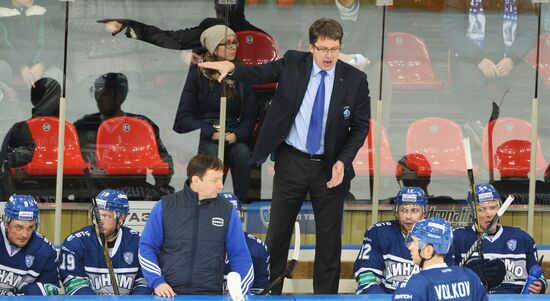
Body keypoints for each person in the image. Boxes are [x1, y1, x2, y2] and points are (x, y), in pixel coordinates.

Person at [199, 17, 370, 294]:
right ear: (311, 47)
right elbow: (258, 74)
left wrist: (343, 160)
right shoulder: (293, 62)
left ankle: (325, 298)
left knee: (329, 240)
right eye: (323, 49)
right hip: (292, 160)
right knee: (278, 235)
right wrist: (231, 67)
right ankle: (270, 293)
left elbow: (360, 127)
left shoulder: (355, 80)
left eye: (335, 49)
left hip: (330, 167)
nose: (329, 56)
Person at [139, 153, 253, 297]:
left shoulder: (227, 211)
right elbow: (147, 247)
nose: (221, 185)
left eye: (221, 179)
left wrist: (239, 293)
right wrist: (157, 282)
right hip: (168, 294)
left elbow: (240, 256)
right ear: (196, 180)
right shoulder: (165, 206)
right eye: (215, 180)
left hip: (210, 295)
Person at [173, 25, 255, 203]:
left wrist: (236, 135)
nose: (233, 47)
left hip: (233, 132)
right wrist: (211, 133)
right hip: (206, 131)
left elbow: (250, 117)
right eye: (227, 43)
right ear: (213, 48)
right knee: (211, 155)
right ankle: (207, 202)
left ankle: (241, 204)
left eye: (235, 42)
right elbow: (185, 115)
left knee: (242, 152)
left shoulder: (241, 73)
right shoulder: (197, 73)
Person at [73, 72, 174, 193]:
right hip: (95, 195)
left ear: (120, 96)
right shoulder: (83, 126)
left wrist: (160, 187)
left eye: (106, 94)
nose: (99, 98)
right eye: (97, 92)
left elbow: (163, 162)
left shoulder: (142, 126)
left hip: (135, 195)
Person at [453, 183, 547, 294]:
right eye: (481, 209)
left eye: (493, 207)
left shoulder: (522, 238)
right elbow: (446, 281)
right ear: (473, 212)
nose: (489, 214)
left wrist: (539, 286)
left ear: (500, 208)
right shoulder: (458, 238)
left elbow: (540, 278)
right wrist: (467, 275)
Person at [58, 189, 151, 295]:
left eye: (106, 216)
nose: (99, 221)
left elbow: (145, 283)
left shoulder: (138, 243)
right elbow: (75, 286)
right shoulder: (76, 243)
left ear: (121, 218)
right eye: (97, 215)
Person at [97, 0, 266, 53]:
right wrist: (131, 24)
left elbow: (171, 40)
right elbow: (171, 40)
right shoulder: (262, 37)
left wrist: (130, 24)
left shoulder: (261, 38)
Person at [354, 186, 435, 294]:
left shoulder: (437, 238)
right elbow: (366, 275)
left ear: (424, 213)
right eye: (403, 210)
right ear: (396, 212)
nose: (408, 216)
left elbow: (443, 283)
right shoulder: (379, 233)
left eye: (414, 210)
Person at [393, 218, 488, 301]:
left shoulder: (413, 285)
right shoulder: (470, 277)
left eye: (413, 241)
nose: (410, 247)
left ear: (428, 250)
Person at [0, 77, 61, 198]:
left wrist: (6, 158)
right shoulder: (17, 122)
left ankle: (8, 207)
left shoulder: (14, 119)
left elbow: (27, 149)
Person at [0, 194, 59, 296]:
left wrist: (20, 298)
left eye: (30, 227)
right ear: (6, 222)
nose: (25, 234)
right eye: (18, 227)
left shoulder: (45, 250)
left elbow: (51, 289)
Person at [219, 192, 270, 294]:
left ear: (241, 216)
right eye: (225, 216)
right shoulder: (197, 245)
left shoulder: (257, 249)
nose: (231, 221)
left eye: (234, 215)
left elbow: (260, 293)